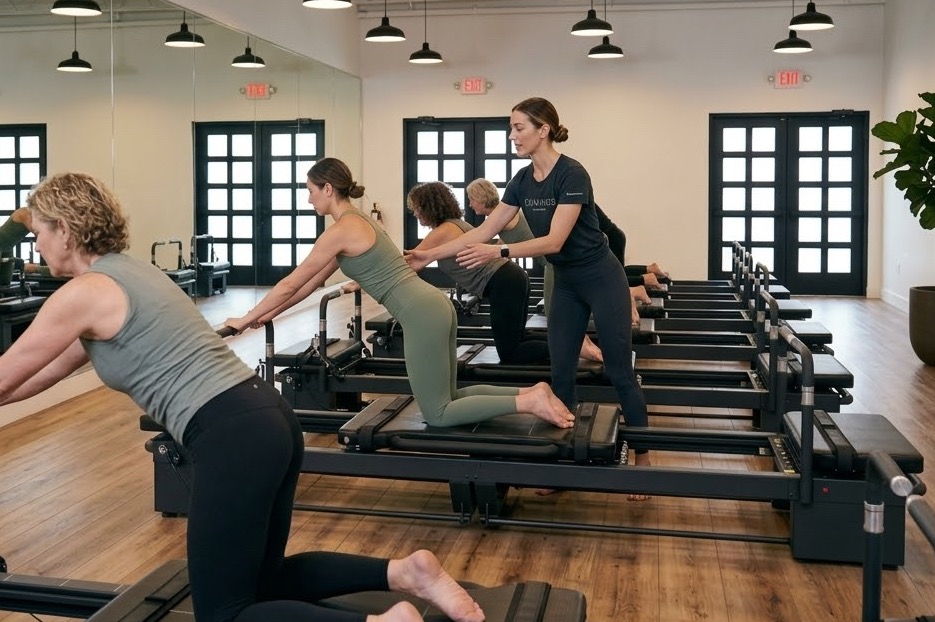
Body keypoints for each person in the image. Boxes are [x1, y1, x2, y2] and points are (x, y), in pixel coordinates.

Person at [0, 172, 487, 622]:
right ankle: (405, 573)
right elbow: (42, 372)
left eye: (38, 231)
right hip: (267, 418)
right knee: (263, 581)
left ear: (65, 230)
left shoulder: (81, 294)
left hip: (232, 434)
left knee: (225, 613)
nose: (36, 244)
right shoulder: (131, 273)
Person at [226, 157, 574, 432]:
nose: (308, 198)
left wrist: (244, 319)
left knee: (438, 412)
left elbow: (290, 282)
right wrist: (263, 315)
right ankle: (531, 393)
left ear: (327, 188)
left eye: (311, 190)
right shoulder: (361, 222)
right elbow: (309, 283)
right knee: (450, 396)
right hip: (432, 306)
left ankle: (528, 403)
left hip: (421, 314)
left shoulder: (342, 230)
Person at [409, 98, 652, 479]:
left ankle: (643, 458)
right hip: (567, 283)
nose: (512, 135)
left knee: (620, 372)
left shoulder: (572, 174)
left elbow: (554, 241)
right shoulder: (521, 180)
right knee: (562, 374)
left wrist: (499, 250)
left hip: (601, 277)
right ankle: (563, 467)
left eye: (519, 127)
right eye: (511, 128)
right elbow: (483, 230)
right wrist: (428, 255)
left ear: (544, 130)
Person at [407, 181, 601, 364]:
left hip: (504, 282)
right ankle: (575, 344)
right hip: (511, 278)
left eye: (416, 207)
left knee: (511, 353)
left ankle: (573, 348)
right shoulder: (457, 224)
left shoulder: (441, 232)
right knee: (518, 340)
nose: (414, 213)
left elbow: (404, 264)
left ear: (428, 207)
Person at [0, 207, 51, 281]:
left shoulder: (37, 216)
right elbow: (38, 232)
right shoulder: (24, 212)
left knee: (5, 281)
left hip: (8, 248)